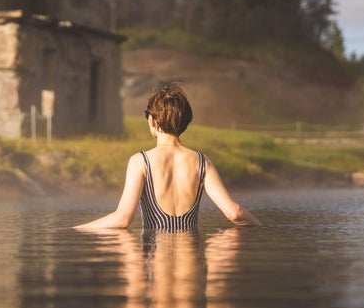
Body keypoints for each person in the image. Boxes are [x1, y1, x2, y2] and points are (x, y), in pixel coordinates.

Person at [74, 83, 260, 231]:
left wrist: (75, 229)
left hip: (155, 269)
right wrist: (261, 228)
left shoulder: (140, 162)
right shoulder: (202, 162)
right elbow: (235, 213)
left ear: (152, 121)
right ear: (186, 122)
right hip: (191, 272)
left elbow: (122, 219)